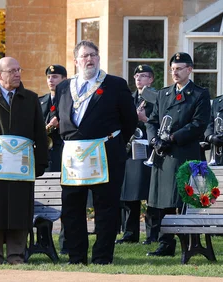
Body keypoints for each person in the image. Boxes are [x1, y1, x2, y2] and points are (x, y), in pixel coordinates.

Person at [55, 40, 137, 265]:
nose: (89, 59)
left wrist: (115, 144)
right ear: (75, 61)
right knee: (72, 208)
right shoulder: (63, 87)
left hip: (105, 153)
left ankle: (102, 257)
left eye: (93, 55)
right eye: (84, 56)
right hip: (73, 156)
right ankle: (76, 257)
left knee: (106, 207)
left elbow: (129, 120)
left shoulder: (115, 84)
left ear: (99, 58)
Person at [0, 57, 49, 265]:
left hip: (22, 166)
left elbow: (40, 133)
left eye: (18, 70)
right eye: (12, 70)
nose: (17, 74)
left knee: (19, 207)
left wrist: (41, 162)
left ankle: (16, 254)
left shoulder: (31, 99)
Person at [146, 52, 211, 256]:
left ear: (189, 70)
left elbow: (199, 124)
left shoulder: (199, 94)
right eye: (173, 69)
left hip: (185, 152)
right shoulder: (164, 93)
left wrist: (173, 138)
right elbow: (152, 121)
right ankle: (166, 243)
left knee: (184, 198)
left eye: (179, 68)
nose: (175, 72)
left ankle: (190, 241)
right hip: (163, 155)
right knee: (163, 200)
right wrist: (154, 140)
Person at [116, 64, 155, 244]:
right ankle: (130, 233)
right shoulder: (129, 98)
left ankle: (152, 234)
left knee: (149, 194)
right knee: (130, 192)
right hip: (131, 150)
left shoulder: (156, 98)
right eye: (137, 76)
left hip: (149, 150)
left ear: (151, 79)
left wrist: (144, 120)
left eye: (144, 76)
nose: (139, 79)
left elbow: (161, 121)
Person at [40, 64, 67, 172]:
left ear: (64, 79)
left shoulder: (70, 101)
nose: (51, 80)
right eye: (48, 77)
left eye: (55, 77)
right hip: (44, 155)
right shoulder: (39, 101)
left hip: (62, 152)